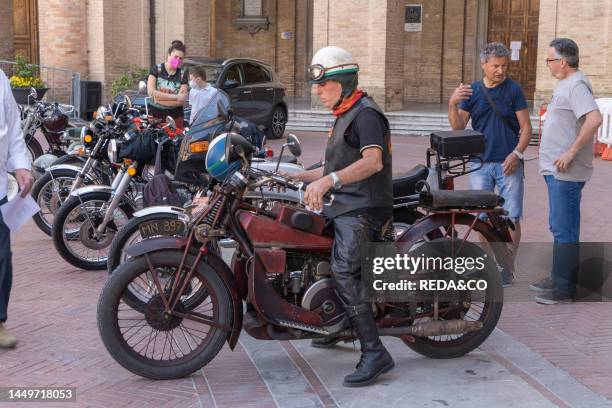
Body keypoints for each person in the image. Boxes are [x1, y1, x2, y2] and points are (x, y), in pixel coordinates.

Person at [289, 46, 394, 387]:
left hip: (364, 207)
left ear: (343, 82)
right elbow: (333, 167)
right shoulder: (344, 113)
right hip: (345, 203)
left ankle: (374, 351)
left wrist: (329, 180)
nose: (316, 91)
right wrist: (292, 175)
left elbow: (372, 162)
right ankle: (338, 322)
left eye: (322, 85)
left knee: (344, 271)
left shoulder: (365, 114)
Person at [448, 42, 532, 287]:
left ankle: (508, 268)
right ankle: (488, 266)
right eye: (495, 66)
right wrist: (453, 104)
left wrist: (517, 153)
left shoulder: (513, 90)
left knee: (511, 217)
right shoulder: (472, 91)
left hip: (509, 164)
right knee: (482, 219)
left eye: (504, 66)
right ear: (483, 64)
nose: (500, 70)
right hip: (480, 164)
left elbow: (526, 127)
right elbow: (457, 127)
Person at [531, 38, 602, 304]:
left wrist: (571, 151)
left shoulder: (576, 85)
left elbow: (594, 118)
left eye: (549, 59)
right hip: (555, 171)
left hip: (566, 173)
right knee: (558, 226)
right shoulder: (566, 84)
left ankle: (564, 289)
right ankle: (558, 276)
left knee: (565, 229)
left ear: (562, 61)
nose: (547, 64)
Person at [0, 69, 34, 348]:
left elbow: (12, 130)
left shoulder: (0, 79)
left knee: (1, 257)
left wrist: (21, 166)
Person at [147, 40, 189, 128]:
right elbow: (151, 92)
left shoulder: (182, 73)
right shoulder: (157, 69)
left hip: (175, 118)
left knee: (175, 140)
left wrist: (159, 99)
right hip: (155, 116)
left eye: (180, 58)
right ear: (169, 55)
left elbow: (182, 100)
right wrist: (176, 97)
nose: (177, 60)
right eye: (175, 57)